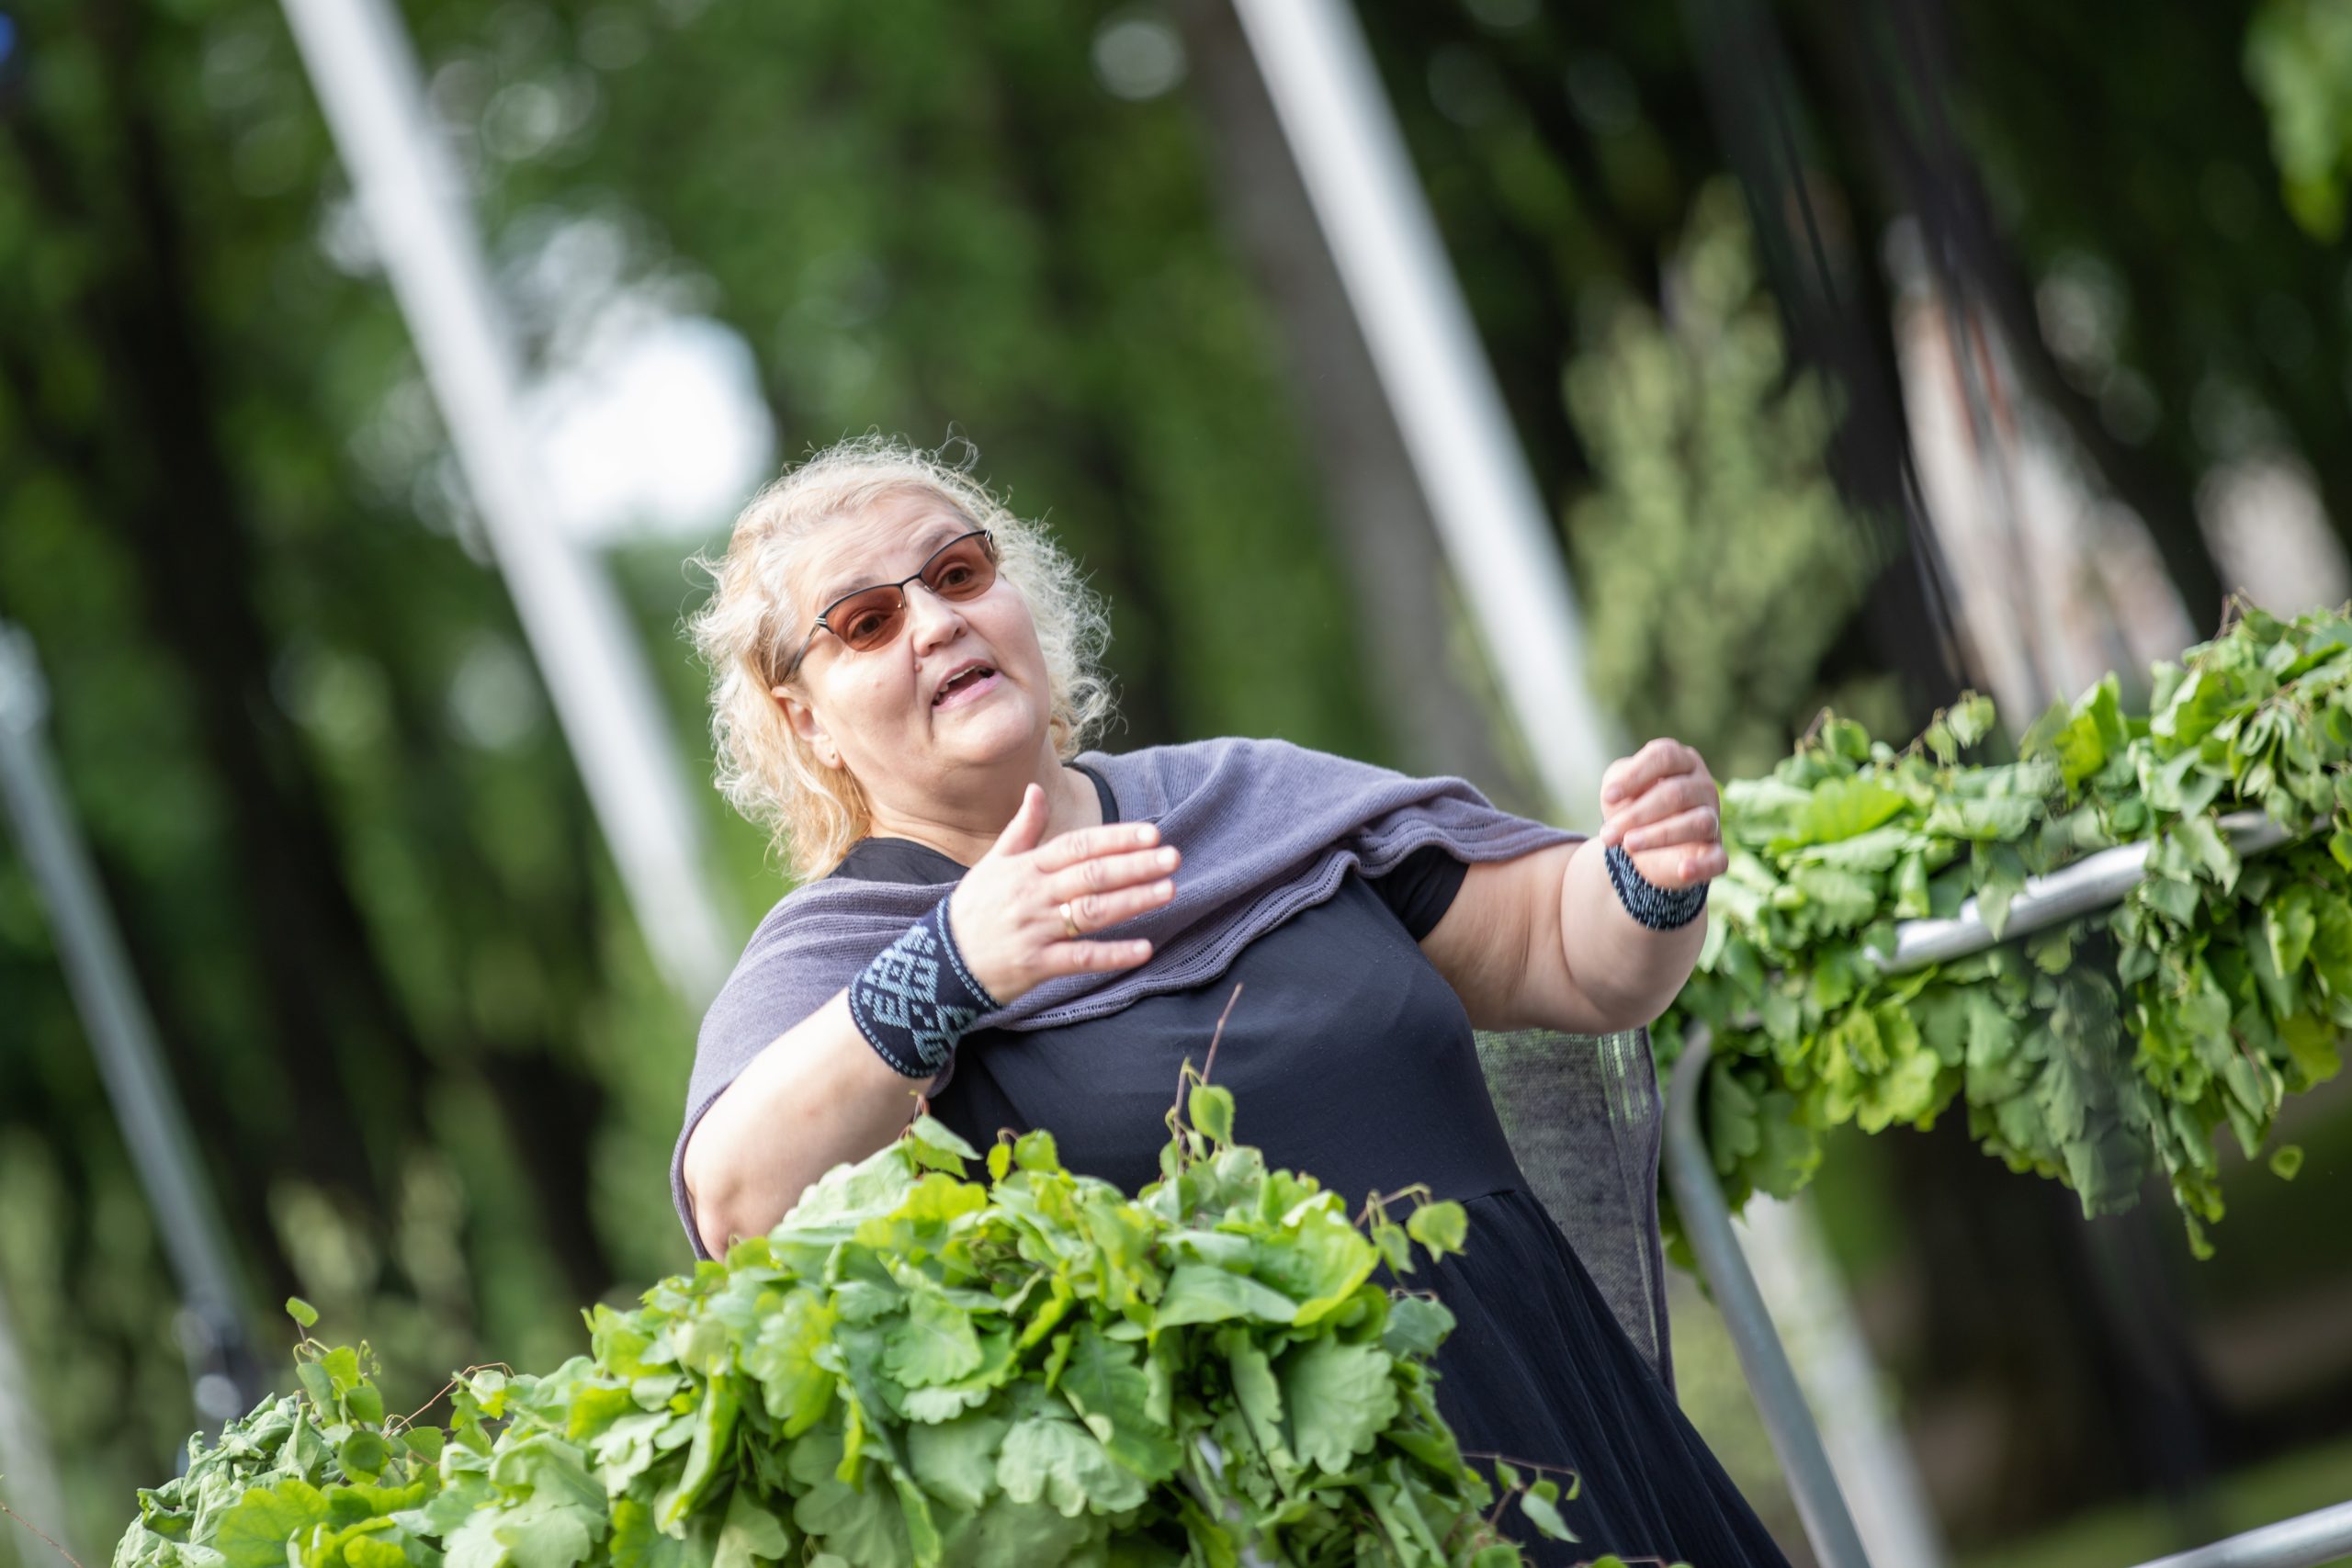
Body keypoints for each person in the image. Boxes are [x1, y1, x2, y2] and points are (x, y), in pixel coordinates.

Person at [673, 434, 1792, 1566]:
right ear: (803, 719)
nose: (935, 621)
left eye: (959, 573)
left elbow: (1567, 953)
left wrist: (1644, 877)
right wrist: (952, 965)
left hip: (1551, 1404)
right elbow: (738, 1201)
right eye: (867, 621)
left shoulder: (1243, 797)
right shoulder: (836, 949)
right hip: (1286, 1525)